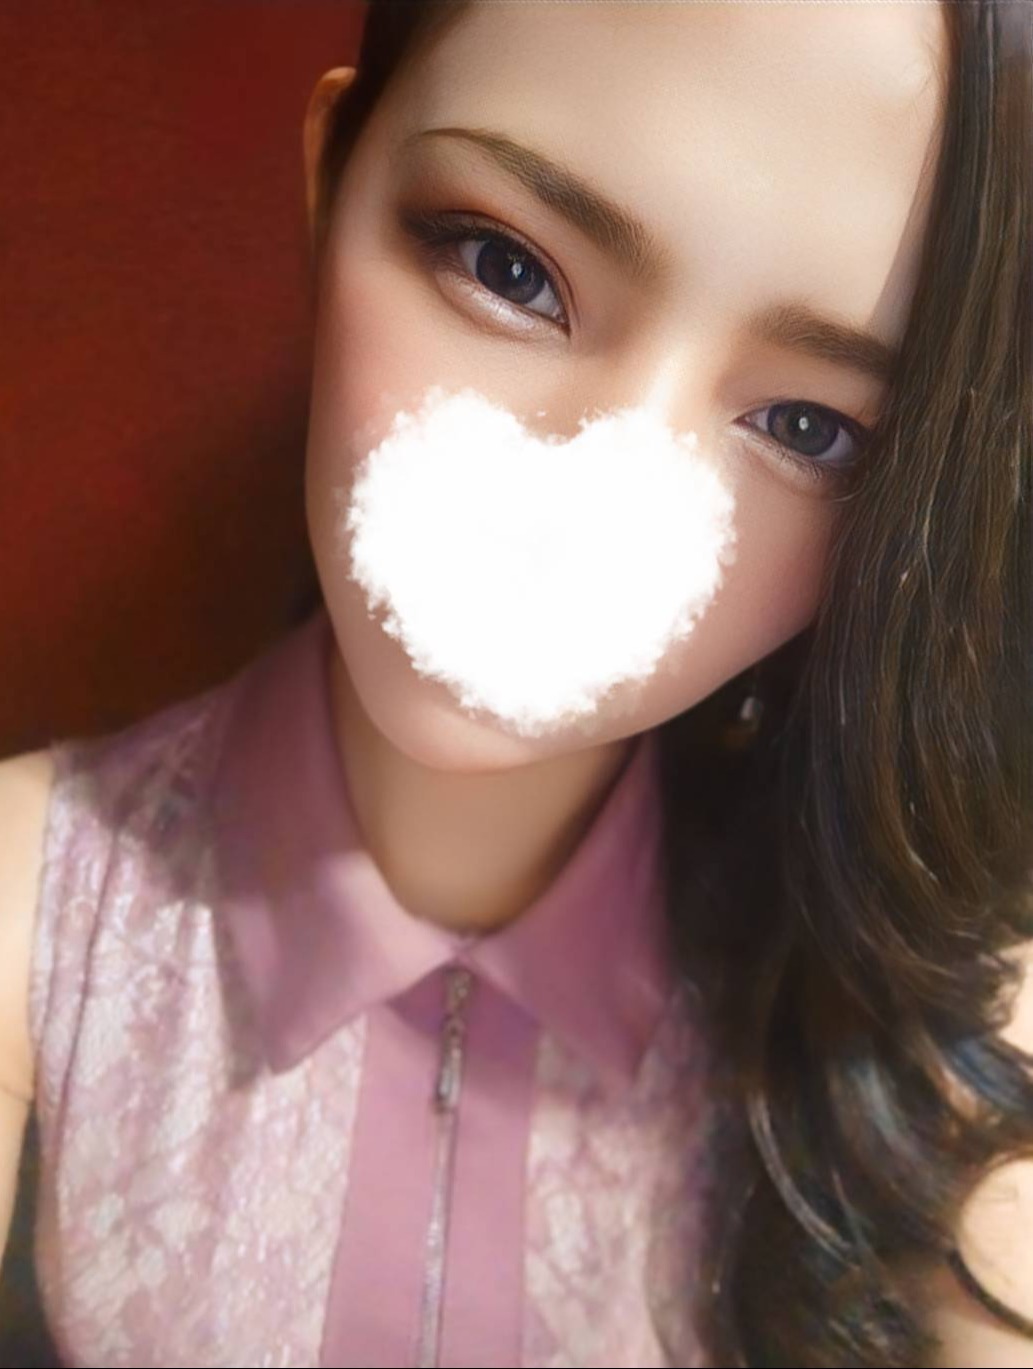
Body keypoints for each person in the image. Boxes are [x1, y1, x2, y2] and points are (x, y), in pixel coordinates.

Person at [1, 1, 1031, 1365]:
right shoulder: (32, 914)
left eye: (806, 427)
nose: (597, 504)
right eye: (508, 269)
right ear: (331, 180)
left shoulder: (940, 1026)